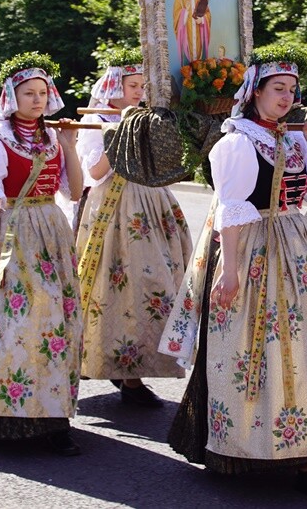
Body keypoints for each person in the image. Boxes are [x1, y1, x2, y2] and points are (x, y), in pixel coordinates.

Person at [160, 44, 307, 502]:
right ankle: (244, 447)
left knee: (304, 347)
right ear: (255, 92)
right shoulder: (236, 142)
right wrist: (229, 273)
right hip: (252, 249)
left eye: (291, 89)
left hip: (296, 247)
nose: (286, 97)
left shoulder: (293, 137)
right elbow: (231, 211)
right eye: (278, 89)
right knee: (253, 350)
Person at [0, 52, 85, 456]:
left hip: (51, 233)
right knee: (16, 324)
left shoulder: (52, 139)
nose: (38, 100)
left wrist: (69, 146)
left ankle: (53, 417)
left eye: (43, 93)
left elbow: (75, 193)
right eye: (29, 93)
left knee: (56, 325)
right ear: (11, 96)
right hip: (13, 232)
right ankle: (4, 413)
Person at [75, 47, 193, 406]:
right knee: (118, 289)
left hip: (152, 205)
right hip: (112, 210)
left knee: (156, 286)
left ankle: (136, 369)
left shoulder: (144, 118)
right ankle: (123, 373)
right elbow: (94, 171)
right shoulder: (95, 121)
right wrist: (122, 132)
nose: (139, 93)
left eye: (143, 86)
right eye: (132, 86)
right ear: (113, 89)